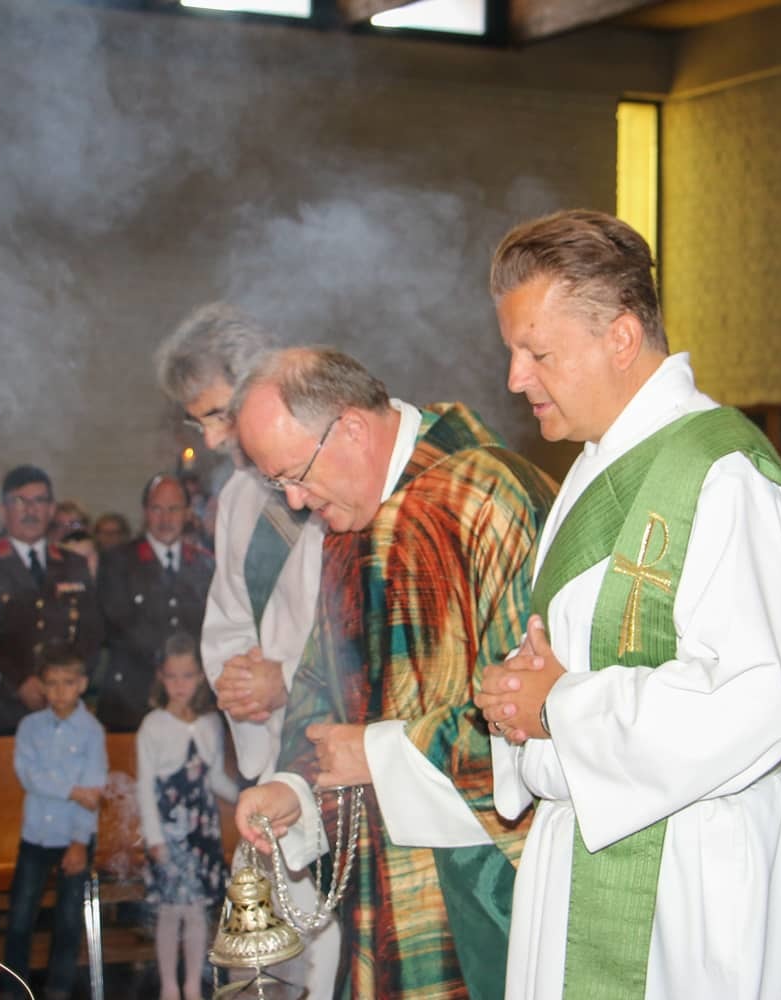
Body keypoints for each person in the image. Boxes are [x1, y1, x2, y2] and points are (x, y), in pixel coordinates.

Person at [474, 209, 781, 1000]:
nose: (516, 379)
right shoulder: (597, 463)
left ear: (621, 339)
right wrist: (521, 697)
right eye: (512, 354)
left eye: (538, 353)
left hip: (689, 871)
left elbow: (755, 697)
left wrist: (557, 705)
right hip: (587, 841)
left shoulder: (721, 474)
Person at [231, 346, 555, 1000]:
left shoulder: (487, 496)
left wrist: (378, 755)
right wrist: (296, 784)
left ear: (351, 428)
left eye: (295, 475)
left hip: (483, 888)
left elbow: (531, 713)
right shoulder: (347, 518)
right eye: (277, 484)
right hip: (380, 882)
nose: (294, 501)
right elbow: (321, 682)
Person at [153, 302, 337, 996]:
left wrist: (287, 679)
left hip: (332, 747)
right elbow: (227, 616)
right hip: (270, 749)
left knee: (334, 956)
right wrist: (236, 680)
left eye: (217, 413)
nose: (210, 436)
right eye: (196, 421)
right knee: (269, 962)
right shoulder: (234, 497)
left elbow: (351, 619)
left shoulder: (322, 470)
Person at [0, 466, 103, 736]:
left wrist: (64, 683)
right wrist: (17, 682)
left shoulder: (73, 565)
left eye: (39, 501)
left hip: (63, 711)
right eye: (20, 501)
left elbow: (91, 635)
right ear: (3, 510)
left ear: (51, 510)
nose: (30, 510)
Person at [135, 633, 240, 1000]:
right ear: (160, 677)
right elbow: (145, 786)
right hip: (169, 829)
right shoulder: (152, 725)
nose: (180, 685)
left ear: (201, 677)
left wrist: (244, 797)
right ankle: (169, 985)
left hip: (202, 829)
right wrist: (154, 837)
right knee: (169, 911)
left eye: (188, 676)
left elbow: (214, 777)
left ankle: (193, 984)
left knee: (196, 911)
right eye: (172, 676)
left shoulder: (210, 723)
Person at [2, 644, 107, 1000]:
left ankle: (58, 989)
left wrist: (79, 840)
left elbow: (93, 791)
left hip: (74, 836)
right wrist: (72, 790)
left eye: (68, 682)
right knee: (20, 916)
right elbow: (29, 775)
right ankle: (13, 989)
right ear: (41, 686)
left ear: (82, 684)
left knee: (68, 920)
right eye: (52, 683)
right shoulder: (29, 727)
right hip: (35, 835)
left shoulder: (92, 731)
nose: (59, 691)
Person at [96, 474, 215, 733]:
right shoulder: (118, 562)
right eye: (156, 509)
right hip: (132, 702)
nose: (165, 518)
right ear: (144, 512)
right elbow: (119, 624)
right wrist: (171, 668)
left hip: (192, 702)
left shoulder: (205, 564)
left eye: (174, 509)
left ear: (187, 513)